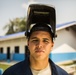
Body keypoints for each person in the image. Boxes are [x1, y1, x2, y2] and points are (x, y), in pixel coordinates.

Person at [2, 23, 69, 75]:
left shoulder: (63, 74)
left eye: (45, 41)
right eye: (35, 40)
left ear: (52, 45)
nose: (39, 45)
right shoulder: (10, 73)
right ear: (28, 44)